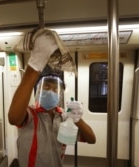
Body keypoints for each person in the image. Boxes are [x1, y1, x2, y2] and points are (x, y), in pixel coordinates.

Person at [8, 30, 96, 167]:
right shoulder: (31, 114)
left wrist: (78, 119)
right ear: (38, 90)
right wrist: (35, 64)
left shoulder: (64, 117)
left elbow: (91, 139)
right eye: (46, 87)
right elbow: (13, 118)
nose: (51, 91)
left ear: (60, 94)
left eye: (55, 89)